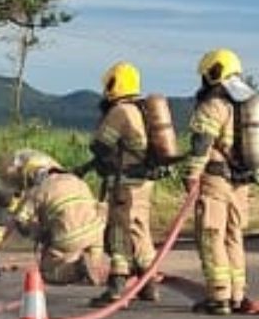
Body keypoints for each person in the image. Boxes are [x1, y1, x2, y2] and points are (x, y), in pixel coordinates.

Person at [183, 48, 257, 315]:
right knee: (233, 236)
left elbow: (201, 144)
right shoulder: (245, 103)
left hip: (215, 179)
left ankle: (218, 296)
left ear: (213, 72)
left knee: (211, 235)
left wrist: (191, 176)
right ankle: (237, 295)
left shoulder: (213, 105)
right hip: (241, 182)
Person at [86, 61, 158, 306]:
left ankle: (117, 286)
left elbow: (100, 144)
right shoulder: (141, 110)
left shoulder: (119, 111)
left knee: (118, 232)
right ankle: (148, 286)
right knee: (140, 230)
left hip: (124, 184)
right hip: (143, 183)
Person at [11, 159, 108, 286]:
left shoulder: (39, 189)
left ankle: (76, 269)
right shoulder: (79, 181)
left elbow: (20, 219)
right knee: (96, 269)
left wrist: (36, 233)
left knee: (48, 273)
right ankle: (103, 273)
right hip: (97, 231)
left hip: (68, 236)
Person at [0, 149, 56, 280]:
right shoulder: (13, 172)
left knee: (32, 223)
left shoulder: (42, 171)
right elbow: (6, 202)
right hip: (22, 176)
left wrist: (23, 217)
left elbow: (37, 195)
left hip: (41, 186)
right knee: (2, 218)